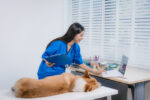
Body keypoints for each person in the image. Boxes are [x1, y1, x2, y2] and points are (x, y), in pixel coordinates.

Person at [37, 23, 105, 79]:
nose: (82, 38)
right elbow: (45, 56)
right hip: (46, 74)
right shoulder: (58, 43)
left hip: (59, 75)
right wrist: (48, 62)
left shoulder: (76, 47)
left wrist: (94, 71)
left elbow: (80, 63)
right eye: (81, 35)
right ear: (74, 34)